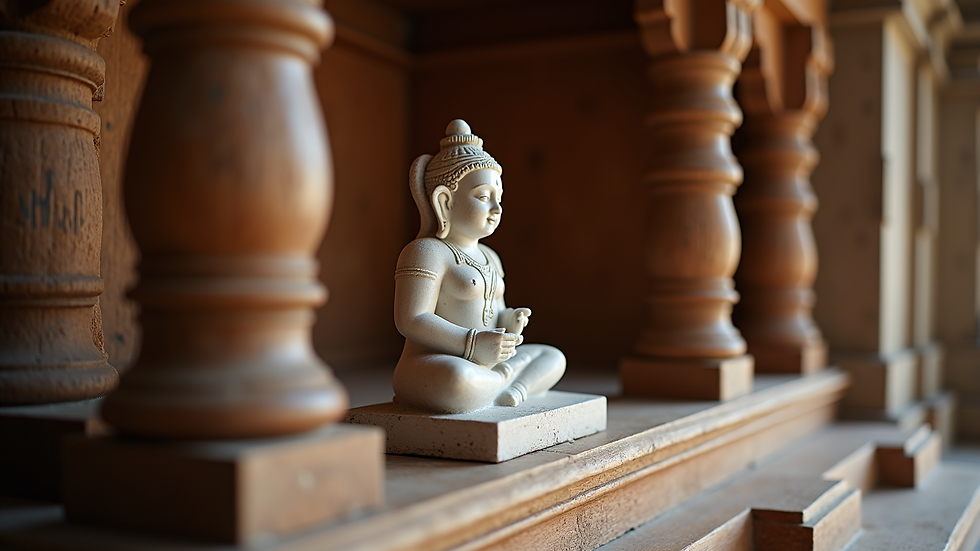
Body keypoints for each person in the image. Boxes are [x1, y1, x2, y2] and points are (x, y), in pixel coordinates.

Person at [392, 120, 566, 413]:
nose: (497, 208)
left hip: (487, 361)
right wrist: (472, 344)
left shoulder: (490, 256)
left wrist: (509, 322)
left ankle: (503, 385)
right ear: (445, 202)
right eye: (484, 197)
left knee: (553, 357)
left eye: (499, 198)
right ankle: (506, 383)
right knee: (456, 379)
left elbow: (496, 312)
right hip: (436, 362)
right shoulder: (426, 252)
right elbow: (411, 319)